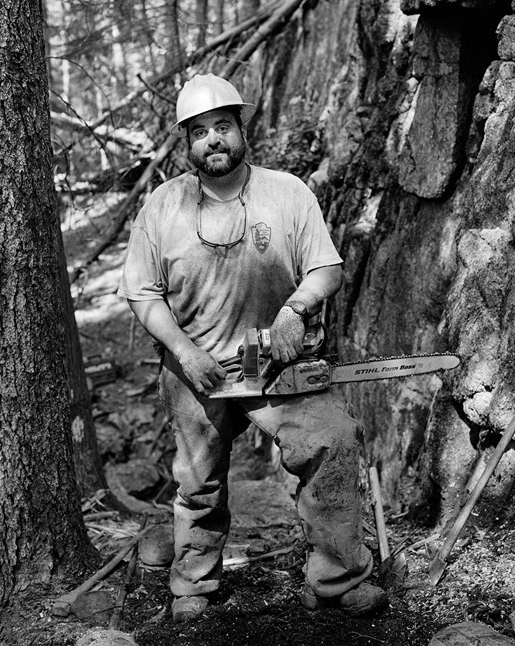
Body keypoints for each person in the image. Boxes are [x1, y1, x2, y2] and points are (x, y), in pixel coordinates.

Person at [119, 73, 388, 622]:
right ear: (186, 144)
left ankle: (338, 579)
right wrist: (184, 350)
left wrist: (296, 309)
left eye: (222, 126)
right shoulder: (162, 207)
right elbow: (142, 293)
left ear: (242, 129)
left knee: (331, 441)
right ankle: (194, 579)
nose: (212, 139)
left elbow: (326, 268)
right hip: (196, 368)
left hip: (278, 365)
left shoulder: (286, 192)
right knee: (197, 480)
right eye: (199, 132)